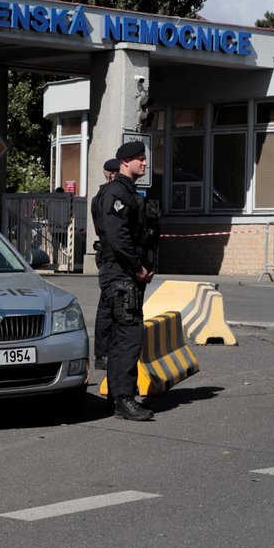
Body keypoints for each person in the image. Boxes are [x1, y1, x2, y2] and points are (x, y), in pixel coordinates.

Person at [97, 141, 155, 421]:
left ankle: (118, 396)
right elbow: (119, 238)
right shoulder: (117, 193)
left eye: (144, 159)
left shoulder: (128, 191)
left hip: (124, 275)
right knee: (128, 337)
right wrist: (137, 268)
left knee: (123, 337)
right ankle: (124, 399)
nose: (144, 163)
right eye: (140, 159)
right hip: (121, 275)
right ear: (125, 162)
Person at [90, 157, 120, 371]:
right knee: (109, 309)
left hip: (109, 257)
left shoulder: (102, 195)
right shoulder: (108, 196)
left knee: (109, 307)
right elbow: (113, 232)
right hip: (112, 258)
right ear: (112, 174)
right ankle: (103, 355)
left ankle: (104, 353)